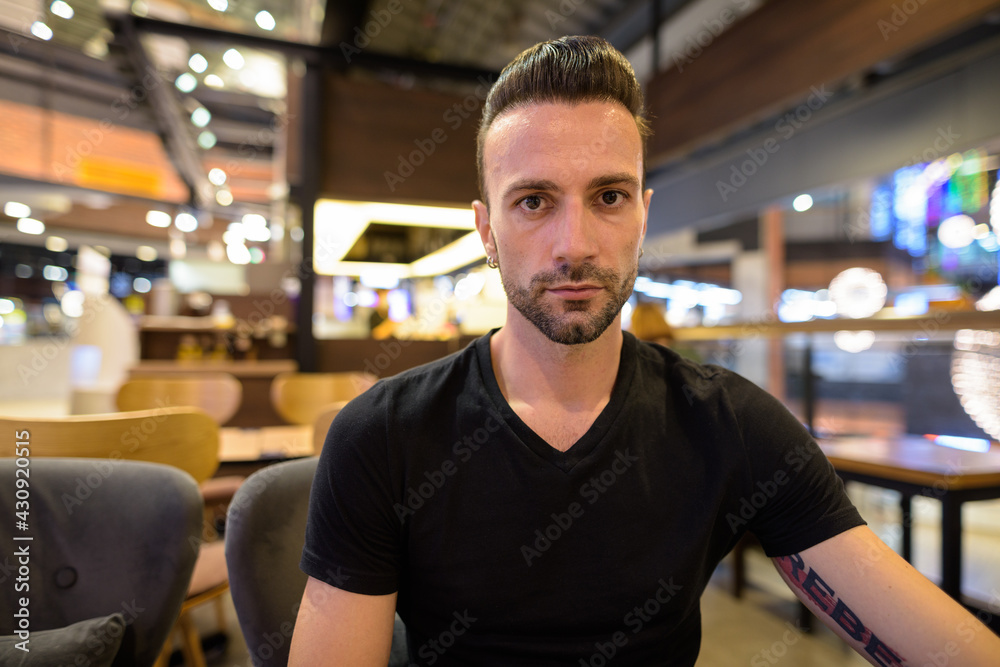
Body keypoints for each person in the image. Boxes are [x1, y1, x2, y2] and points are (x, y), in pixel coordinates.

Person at [289, 36, 1000, 666]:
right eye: (534, 200)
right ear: (485, 230)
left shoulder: (731, 425)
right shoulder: (383, 437)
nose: (574, 243)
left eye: (607, 196)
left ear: (642, 215)